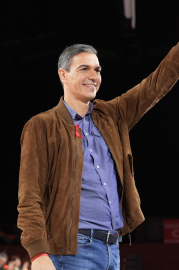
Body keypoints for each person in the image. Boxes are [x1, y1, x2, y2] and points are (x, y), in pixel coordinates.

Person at [17, 42, 179, 270]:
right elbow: (29, 196)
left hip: (113, 248)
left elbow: (156, 84)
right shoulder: (42, 126)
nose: (94, 75)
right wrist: (38, 253)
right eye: (84, 69)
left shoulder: (112, 116)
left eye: (98, 70)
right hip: (72, 253)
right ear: (63, 74)